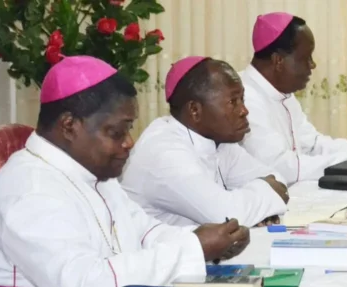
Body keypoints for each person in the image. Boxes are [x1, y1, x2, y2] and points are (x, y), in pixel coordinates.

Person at [0, 56, 249, 287]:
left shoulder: (93, 174)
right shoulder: (29, 188)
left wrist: (208, 241)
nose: (128, 143)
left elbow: (145, 232)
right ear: (70, 125)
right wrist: (193, 247)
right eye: (117, 131)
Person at [123, 56, 289, 227]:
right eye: (233, 102)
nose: (244, 111)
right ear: (195, 110)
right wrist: (261, 204)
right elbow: (227, 216)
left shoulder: (219, 141)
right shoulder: (164, 151)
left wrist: (257, 209)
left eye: (242, 100)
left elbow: (277, 179)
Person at [240, 12, 347, 184]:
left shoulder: (282, 92)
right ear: (278, 60)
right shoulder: (244, 98)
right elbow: (282, 167)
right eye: (306, 57)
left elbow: (312, 144)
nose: (312, 65)